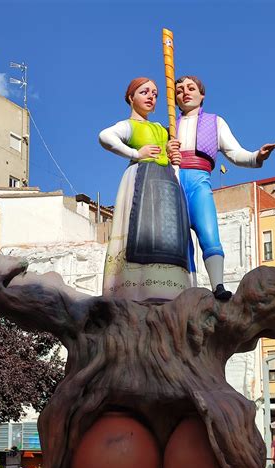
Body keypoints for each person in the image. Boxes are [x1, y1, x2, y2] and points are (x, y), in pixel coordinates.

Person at [167, 76, 275, 300]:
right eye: (179, 90)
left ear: (202, 95)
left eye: (191, 88)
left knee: (209, 233)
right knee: (179, 243)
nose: (185, 93)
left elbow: (235, 153)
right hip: (175, 183)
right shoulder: (170, 127)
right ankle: (185, 288)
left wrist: (257, 156)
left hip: (200, 181)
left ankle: (217, 285)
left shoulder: (214, 122)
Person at [99, 77, 191, 302]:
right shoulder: (129, 125)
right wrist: (135, 154)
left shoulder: (160, 128)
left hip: (165, 184)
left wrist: (170, 153)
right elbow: (105, 136)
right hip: (142, 180)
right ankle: (136, 286)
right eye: (145, 92)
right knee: (141, 231)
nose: (151, 97)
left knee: (166, 233)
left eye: (155, 94)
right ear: (131, 97)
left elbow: (168, 153)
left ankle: (167, 286)